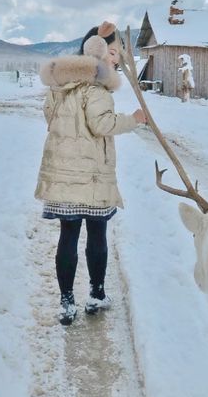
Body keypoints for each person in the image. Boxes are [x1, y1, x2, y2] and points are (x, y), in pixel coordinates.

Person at [35, 21, 147, 325]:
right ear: (96, 51)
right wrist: (134, 119)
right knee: (97, 234)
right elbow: (102, 125)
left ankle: (66, 302)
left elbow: (49, 118)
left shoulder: (58, 86)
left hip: (63, 174)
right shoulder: (95, 88)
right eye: (112, 52)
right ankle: (96, 294)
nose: (115, 59)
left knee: (68, 234)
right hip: (93, 176)